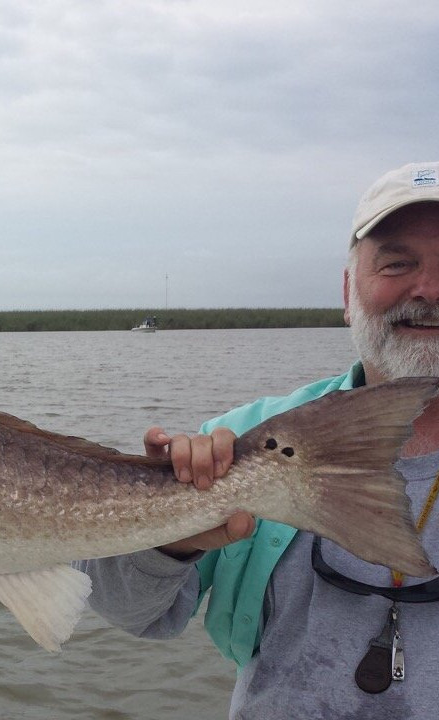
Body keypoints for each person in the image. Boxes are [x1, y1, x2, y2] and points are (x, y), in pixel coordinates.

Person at [80, 161, 439, 718]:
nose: (429, 289)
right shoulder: (242, 438)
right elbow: (134, 614)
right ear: (349, 292)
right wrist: (169, 539)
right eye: (397, 263)